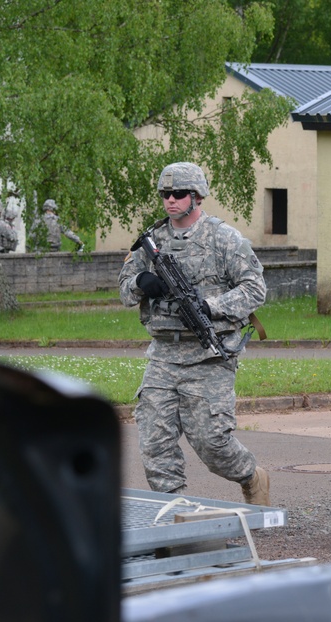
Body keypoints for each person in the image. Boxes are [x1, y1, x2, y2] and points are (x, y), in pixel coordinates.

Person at [118, 162, 270, 505]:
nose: (170, 200)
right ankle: (174, 510)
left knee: (212, 442)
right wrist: (142, 282)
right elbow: (125, 290)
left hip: (208, 355)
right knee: (154, 441)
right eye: (165, 194)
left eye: (178, 194)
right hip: (163, 354)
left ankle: (251, 476)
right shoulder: (150, 241)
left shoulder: (223, 238)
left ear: (196, 196)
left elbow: (255, 289)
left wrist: (211, 306)